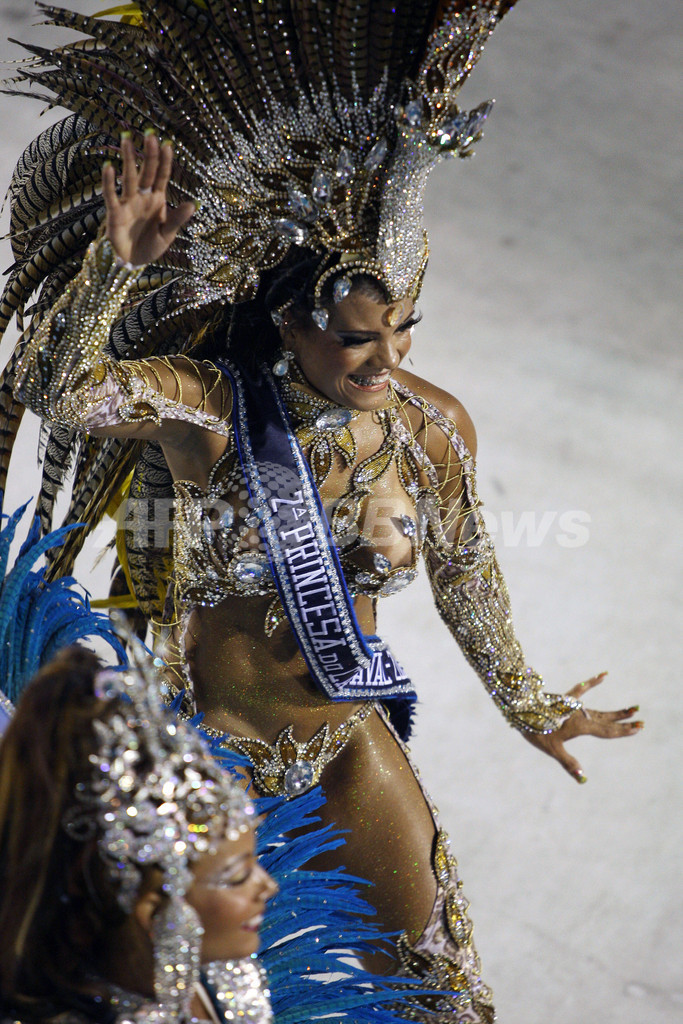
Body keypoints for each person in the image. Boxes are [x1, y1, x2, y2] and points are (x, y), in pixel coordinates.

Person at [1, 2, 642, 1019]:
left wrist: (528, 703)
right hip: (201, 757)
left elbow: (465, 571)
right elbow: (59, 389)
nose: (388, 361)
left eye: (403, 328)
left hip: (342, 742)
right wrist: (113, 270)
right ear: (289, 325)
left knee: (448, 998)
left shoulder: (428, 429)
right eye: (356, 340)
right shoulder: (210, 412)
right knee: (198, 1001)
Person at [0, 643, 277, 1024]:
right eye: (237, 876)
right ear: (150, 907)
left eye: (254, 863)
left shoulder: (222, 973)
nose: (269, 887)